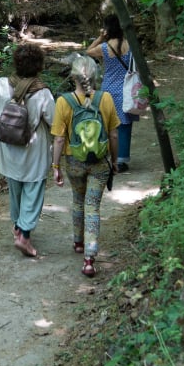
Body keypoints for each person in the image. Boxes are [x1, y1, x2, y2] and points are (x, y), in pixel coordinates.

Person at [0, 44, 55, 257]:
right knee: (33, 189)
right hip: (33, 148)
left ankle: (18, 226)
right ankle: (24, 235)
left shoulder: (1, 85)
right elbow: (54, 121)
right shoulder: (43, 92)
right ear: (39, 66)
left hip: (8, 147)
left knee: (15, 188)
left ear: (15, 64)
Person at [50, 55, 120, 277]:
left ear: (73, 78)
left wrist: (55, 166)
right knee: (93, 207)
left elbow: (59, 139)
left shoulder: (64, 102)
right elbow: (114, 133)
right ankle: (89, 258)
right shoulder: (106, 99)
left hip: (74, 162)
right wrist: (115, 161)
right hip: (100, 163)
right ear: (95, 76)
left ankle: (78, 242)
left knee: (78, 200)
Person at [87, 14, 137, 172]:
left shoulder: (105, 47)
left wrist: (100, 38)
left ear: (108, 29)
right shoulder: (129, 45)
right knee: (125, 124)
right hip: (126, 89)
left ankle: (109, 157)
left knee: (109, 124)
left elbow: (88, 52)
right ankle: (122, 160)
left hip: (108, 89)